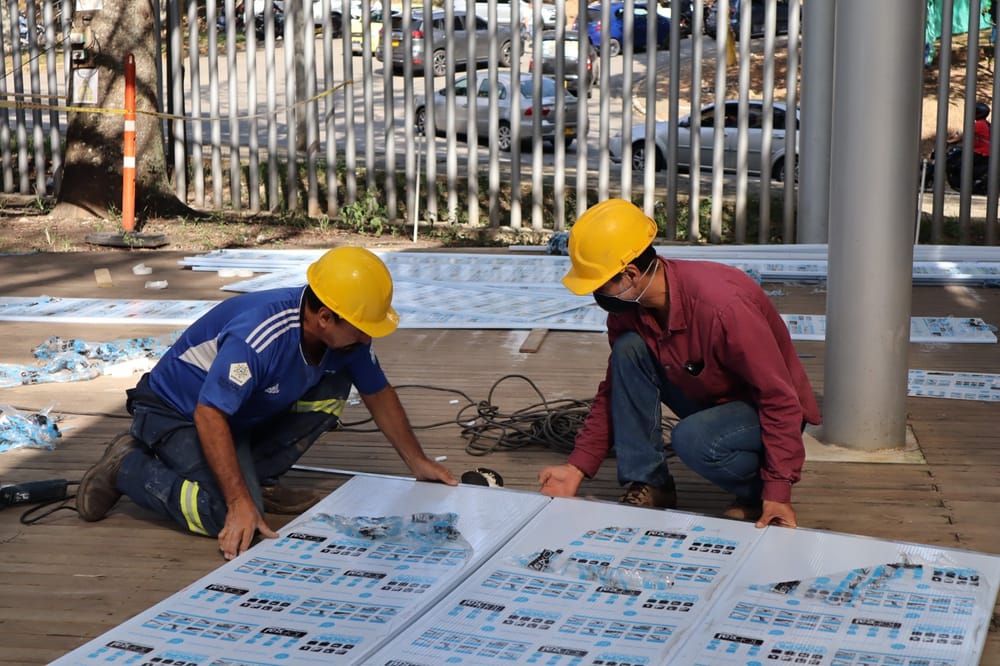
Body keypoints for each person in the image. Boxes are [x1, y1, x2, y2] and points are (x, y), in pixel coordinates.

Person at [77, 246, 457, 560]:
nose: (367, 338)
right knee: (225, 514)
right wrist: (239, 500)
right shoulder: (259, 335)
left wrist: (418, 462)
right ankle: (126, 467)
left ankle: (257, 478)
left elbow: (378, 392)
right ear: (325, 317)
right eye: (362, 328)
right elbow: (209, 414)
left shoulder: (346, 340)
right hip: (177, 412)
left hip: (234, 415)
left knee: (335, 386)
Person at [537, 199, 820, 528]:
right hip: (709, 396)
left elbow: (779, 399)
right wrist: (577, 467)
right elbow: (617, 389)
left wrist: (778, 490)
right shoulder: (629, 310)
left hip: (760, 408)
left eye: (599, 286)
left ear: (630, 274)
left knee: (693, 439)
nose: (596, 296)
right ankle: (651, 482)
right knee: (629, 351)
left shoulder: (724, 307)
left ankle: (757, 493)